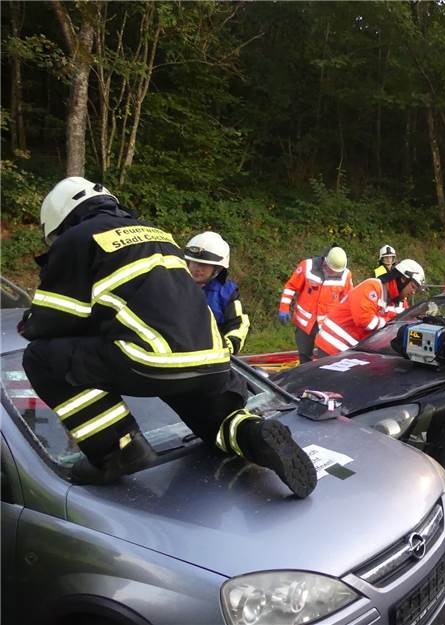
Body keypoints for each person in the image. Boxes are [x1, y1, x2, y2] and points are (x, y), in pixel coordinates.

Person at [19, 177, 316, 497]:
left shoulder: (78, 238)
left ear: (60, 219)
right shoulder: (159, 235)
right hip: (211, 362)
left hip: (148, 360)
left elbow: (54, 320)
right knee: (216, 424)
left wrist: (28, 325)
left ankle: (118, 450)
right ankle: (254, 435)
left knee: (39, 357)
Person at [315, 259, 425, 357]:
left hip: (352, 351)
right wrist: (390, 322)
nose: (413, 292)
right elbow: (365, 321)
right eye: (413, 287)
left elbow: (404, 322)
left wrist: (420, 319)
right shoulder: (372, 287)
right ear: (403, 279)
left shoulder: (399, 301)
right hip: (332, 345)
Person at [279, 247, 353, 363]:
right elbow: (291, 287)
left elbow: (347, 301)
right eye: (332, 269)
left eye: (337, 271)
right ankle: (303, 377)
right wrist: (284, 308)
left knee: (326, 358)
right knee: (304, 354)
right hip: (305, 323)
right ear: (325, 262)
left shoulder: (346, 275)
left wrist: (345, 324)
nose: (334, 273)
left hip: (328, 325)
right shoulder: (307, 267)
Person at [184, 231, 250, 355]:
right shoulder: (175, 285)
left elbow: (239, 324)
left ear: (217, 268)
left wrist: (228, 345)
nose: (197, 268)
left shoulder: (227, 293)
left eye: (204, 264)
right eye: (194, 262)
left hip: (213, 357)